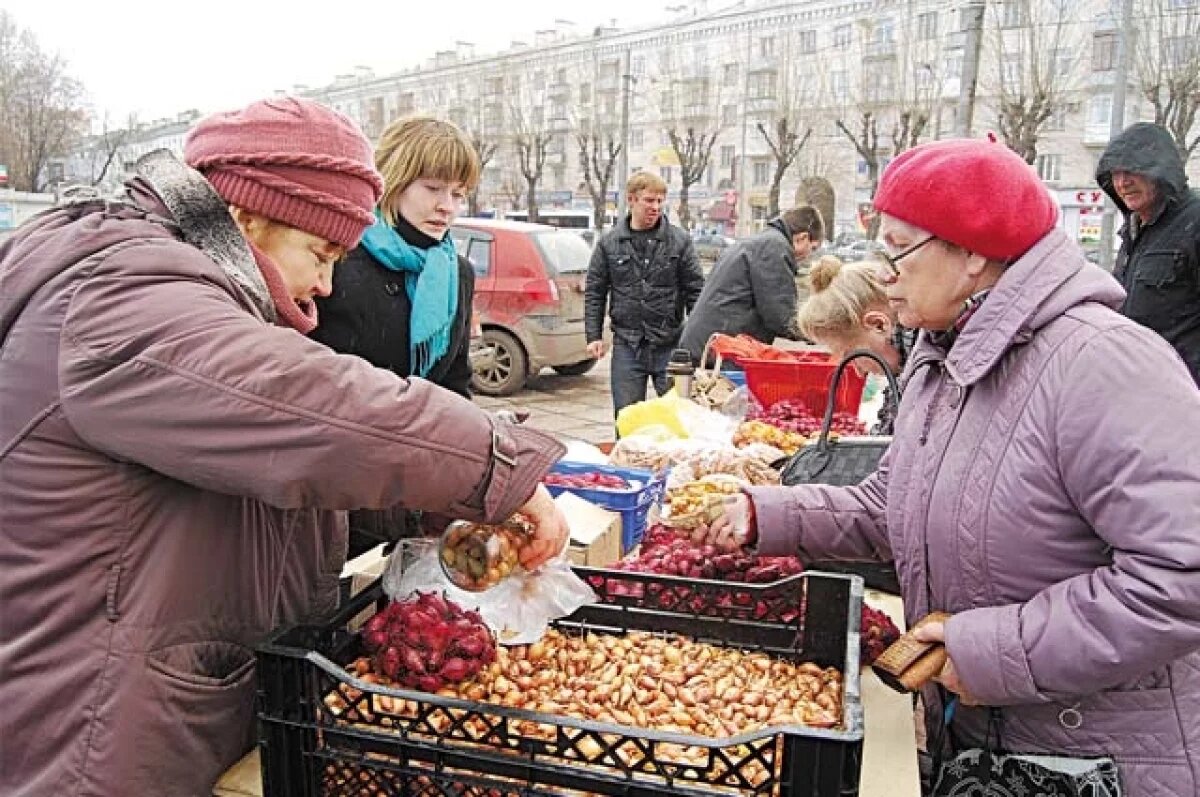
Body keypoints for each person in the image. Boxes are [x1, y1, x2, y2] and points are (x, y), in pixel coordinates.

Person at [0, 97, 569, 796]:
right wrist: (497, 464)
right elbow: (313, 407)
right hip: (92, 735)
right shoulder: (121, 291)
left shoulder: (174, 286)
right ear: (245, 217)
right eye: (321, 253)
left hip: (157, 709)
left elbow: (276, 487)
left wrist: (428, 511)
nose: (326, 285)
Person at [694, 138, 1200, 794]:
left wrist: (990, 649)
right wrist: (763, 510)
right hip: (989, 746)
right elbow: (892, 505)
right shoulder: (944, 357)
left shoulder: (1102, 364)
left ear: (972, 252)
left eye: (898, 248)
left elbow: (1180, 574)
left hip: (1099, 760)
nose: (885, 273)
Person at [310, 115, 479, 558]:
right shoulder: (339, 258)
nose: (448, 206)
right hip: (334, 497)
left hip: (414, 494)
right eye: (433, 188)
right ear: (395, 181)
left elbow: (455, 384)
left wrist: (472, 466)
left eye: (459, 194)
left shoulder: (456, 273)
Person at [585, 171, 704, 417]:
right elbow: (595, 291)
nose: (655, 207)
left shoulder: (679, 242)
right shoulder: (610, 243)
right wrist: (593, 335)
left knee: (679, 418)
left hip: (670, 344)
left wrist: (697, 340)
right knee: (627, 418)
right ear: (631, 199)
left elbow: (696, 291)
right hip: (628, 346)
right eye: (649, 200)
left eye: (660, 201)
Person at [1096, 121, 1200, 385]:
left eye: (1133, 171)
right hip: (1139, 386)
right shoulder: (1134, 230)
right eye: (1115, 174)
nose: (1122, 183)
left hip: (1185, 392)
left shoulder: (1194, 221)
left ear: (1161, 172)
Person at [679, 206, 823, 365]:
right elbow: (781, 316)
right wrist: (819, 333)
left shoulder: (759, 242)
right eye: (813, 248)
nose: (810, 255)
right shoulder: (774, 248)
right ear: (802, 238)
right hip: (721, 350)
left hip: (706, 343)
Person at [795, 255, 916, 434]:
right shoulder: (908, 377)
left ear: (878, 325)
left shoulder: (931, 377)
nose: (859, 371)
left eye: (851, 354)